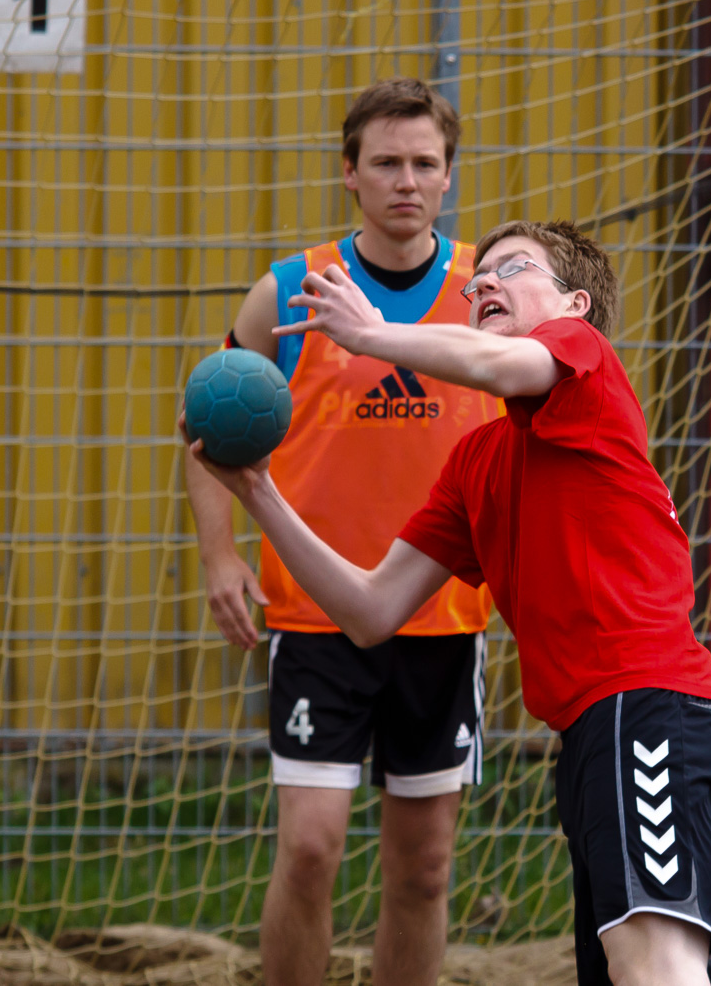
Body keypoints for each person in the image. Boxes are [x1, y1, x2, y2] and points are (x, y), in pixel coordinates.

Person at [186, 220, 711, 986]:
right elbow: (371, 608)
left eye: (512, 268)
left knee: (655, 967)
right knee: (642, 967)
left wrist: (375, 335)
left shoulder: (587, 366)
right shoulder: (478, 462)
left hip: (645, 705)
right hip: (591, 730)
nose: (483, 281)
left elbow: (494, 362)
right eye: (477, 274)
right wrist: (258, 492)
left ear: (574, 304)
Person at [182, 78, 500, 986]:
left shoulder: (485, 292)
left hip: (444, 616)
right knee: (313, 847)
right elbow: (205, 428)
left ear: (448, 178)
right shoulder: (289, 291)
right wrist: (220, 553)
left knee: (424, 865)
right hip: (318, 618)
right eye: (388, 163)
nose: (407, 180)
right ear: (350, 174)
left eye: (425, 164)